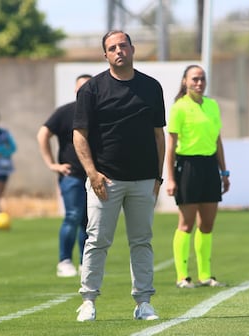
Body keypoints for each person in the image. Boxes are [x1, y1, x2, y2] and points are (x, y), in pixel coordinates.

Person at [73, 30, 166, 322]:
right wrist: (92, 173)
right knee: (97, 240)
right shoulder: (92, 90)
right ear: (105, 55)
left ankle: (144, 302)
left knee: (142, 241)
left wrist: (158, 177)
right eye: (112, 48)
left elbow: (158, 135)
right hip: (105, 181)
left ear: (133, 49)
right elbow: (79, 136)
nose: (118, 51)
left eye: (123, 46)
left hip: (143, 181)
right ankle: (88, 301)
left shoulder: (152, 87)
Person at [166, 64, 230, 289]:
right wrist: (171, 177)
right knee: (186, 223)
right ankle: (182, 276)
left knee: (208, 224)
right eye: (194, 79)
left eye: (202, 79)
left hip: (209, 167)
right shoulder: (179, 108)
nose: (199, 83)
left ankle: (205, 275)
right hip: (188, 167)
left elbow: (217, 141)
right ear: (185, 81)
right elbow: (171, 145)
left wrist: (224, 172)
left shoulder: (212, 106)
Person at [36, 74, 91, 277]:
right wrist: (52, 164)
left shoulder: (100, 113)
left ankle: (86, 261)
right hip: (72, 175)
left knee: (89, 220)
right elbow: (43, 134)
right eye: (80, 88)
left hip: (92, 176)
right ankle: (64, 260)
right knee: (73, 216)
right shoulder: (66, 112)